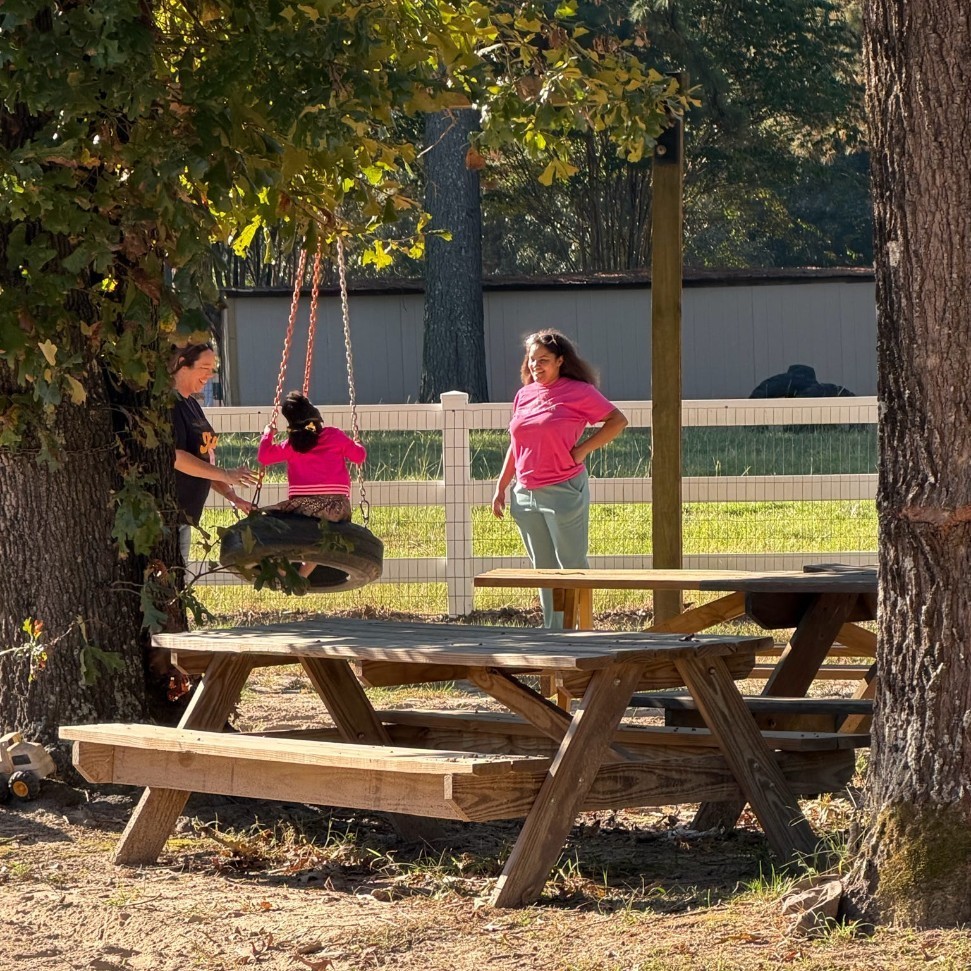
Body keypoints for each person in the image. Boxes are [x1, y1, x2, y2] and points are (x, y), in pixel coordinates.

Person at [492, 329, 628, 628]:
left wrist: (582, 451)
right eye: (531, 360)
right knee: (543, 568)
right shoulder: (524, 395)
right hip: (524, 493)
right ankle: (555, 631)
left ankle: (581, 628)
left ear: (560, 361)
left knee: (572, 564)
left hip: (563, 489)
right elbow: (516, 444)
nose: (536, 366)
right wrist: (502, 486)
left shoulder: (578, 391)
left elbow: (617, 420)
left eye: (544, 360)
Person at [257, 390, 367, 583]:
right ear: (316, 418)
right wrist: (357, 445)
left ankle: (282, 570)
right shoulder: (333, 436)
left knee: (277, 525)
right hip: (336, 508)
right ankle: (302, 576)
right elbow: (359, 457)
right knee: (321, 538)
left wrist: (267, 435)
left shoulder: (291, 445)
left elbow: (264, 457)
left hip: (302, 509)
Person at [171, 342, 256, 568]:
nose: (210, 374)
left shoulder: (192, 404)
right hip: (168, 515)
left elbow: (202, 462)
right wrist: (227, 474)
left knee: (180, 580)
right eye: (205, 367)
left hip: (185, 516)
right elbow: (177, 457)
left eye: (213, 369)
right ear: (182, 364)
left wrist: (233, 497)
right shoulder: (171, 405)